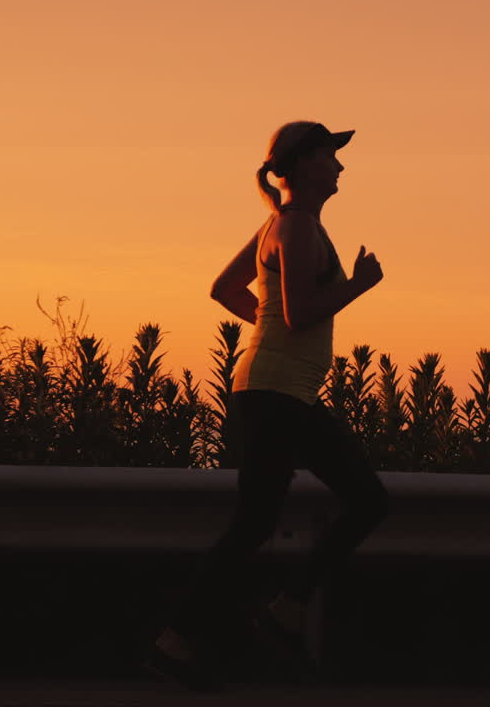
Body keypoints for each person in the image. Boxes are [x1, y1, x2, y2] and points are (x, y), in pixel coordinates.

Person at [147, 121, 389, 691]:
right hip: (276, 394)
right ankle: (204, 633)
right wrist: (359, 284)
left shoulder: (280, 225)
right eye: (330, 155)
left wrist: (270, 329)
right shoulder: (296, 227)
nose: (340, 166)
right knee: (360, 501)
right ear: (303, 163)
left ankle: (210, 633)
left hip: (279, 390)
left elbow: (225, 290)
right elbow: (302, 315)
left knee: (264, 521)